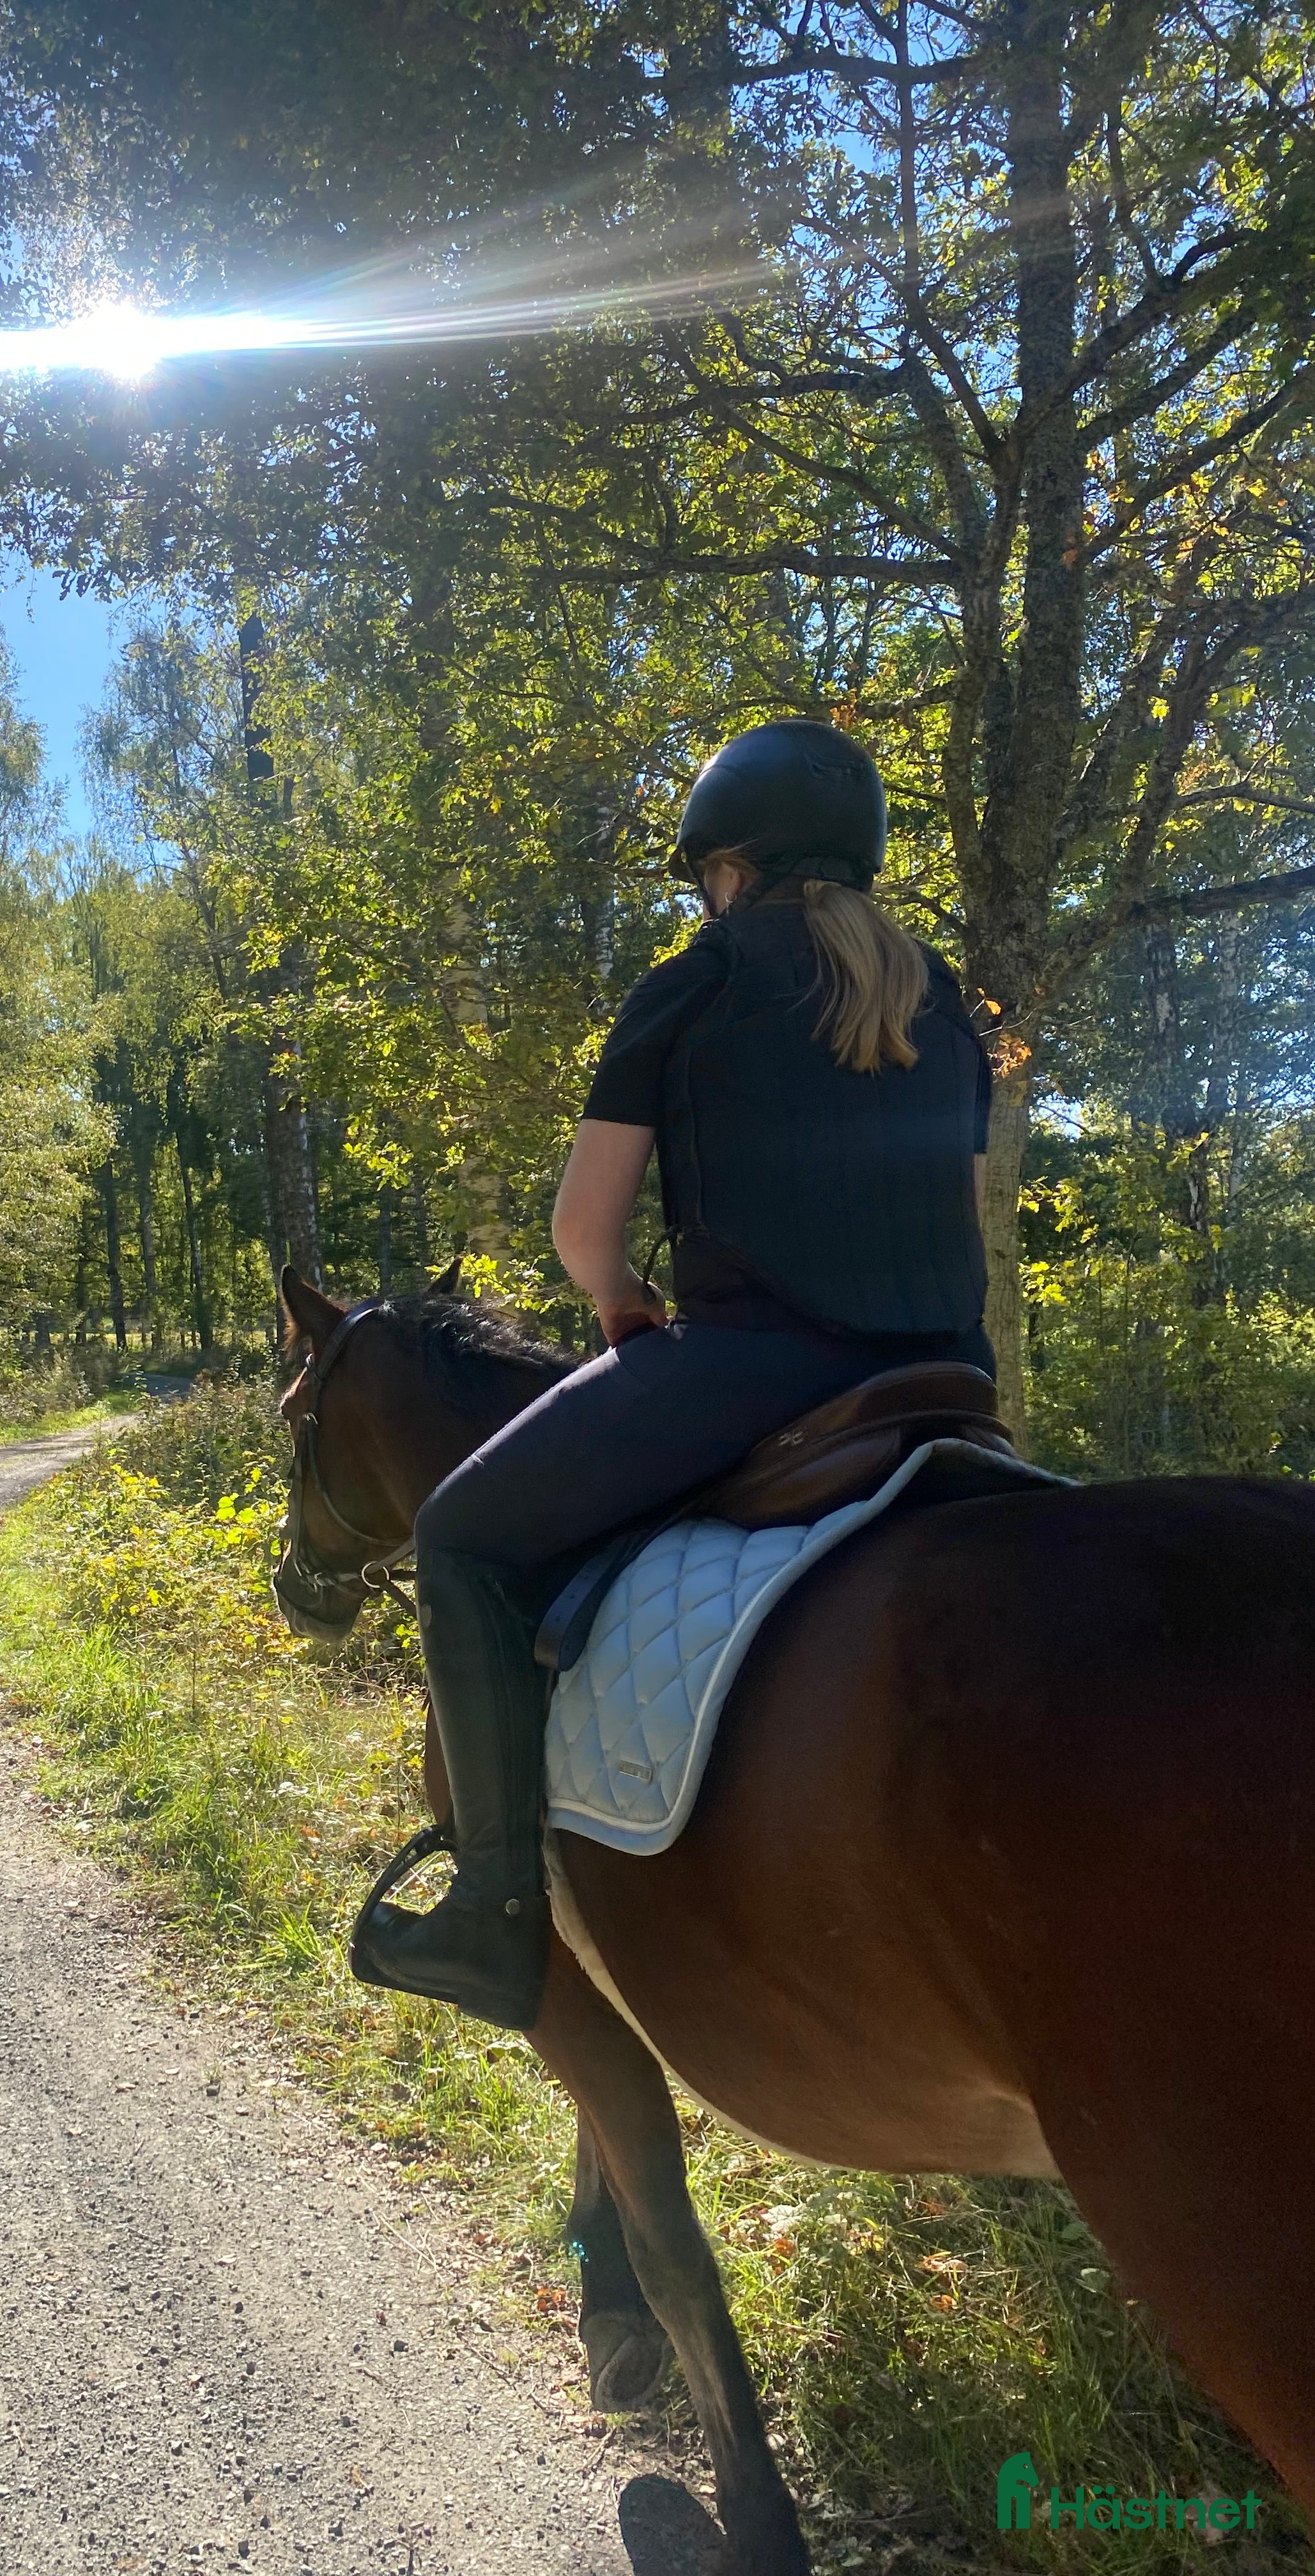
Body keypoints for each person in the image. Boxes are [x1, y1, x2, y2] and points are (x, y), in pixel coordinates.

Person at [351, 719, 996, 2032]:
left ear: (730, 865)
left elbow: (586, 1231)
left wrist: (622, 1305)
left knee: (462, 1535)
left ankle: (492, 1915)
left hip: (758, 1365)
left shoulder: (699, 980)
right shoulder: (941, 1002)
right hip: (949, 1383)